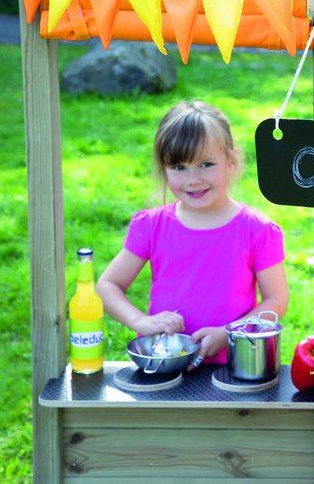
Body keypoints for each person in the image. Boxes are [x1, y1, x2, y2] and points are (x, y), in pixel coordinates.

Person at [97, 101, 288, 368]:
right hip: (164, 363)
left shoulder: (257, 230)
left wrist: (230, 333)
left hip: (234, 367)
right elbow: (107, 287)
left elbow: (276, 301)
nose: (193, 179)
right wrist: (140, 321)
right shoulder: (151, 225)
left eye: (206, 164)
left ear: (230, 162)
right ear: (164, 168)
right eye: (179, 167)